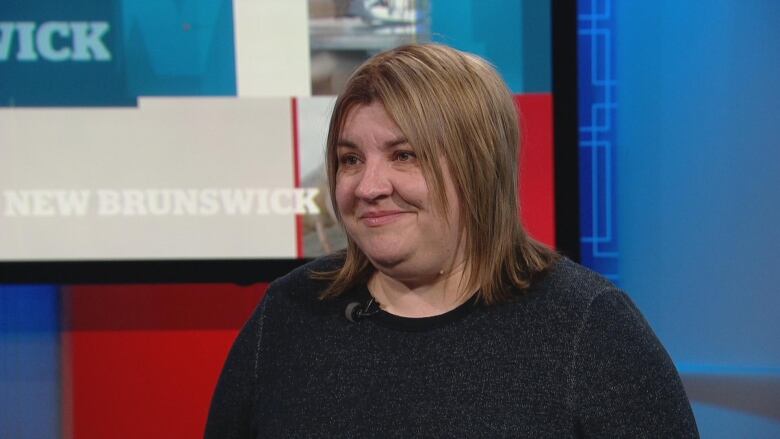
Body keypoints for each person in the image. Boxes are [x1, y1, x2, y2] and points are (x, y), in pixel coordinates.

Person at [205, 44, 699, 438]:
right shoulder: (291, 311)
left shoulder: (588, 327)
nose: (368, 186)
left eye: (404, 155)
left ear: (477, 168)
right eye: (351, 159)